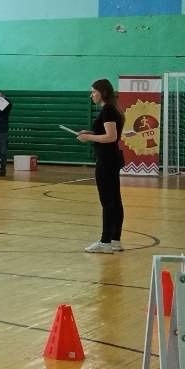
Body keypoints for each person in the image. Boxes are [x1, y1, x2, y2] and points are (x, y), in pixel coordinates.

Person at [77, 78, 126, 253]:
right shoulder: (112, 110)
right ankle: (115, 240)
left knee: (108, 201)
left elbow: (111, 137)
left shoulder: (108, 110)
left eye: (93, 92)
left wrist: (89, 138)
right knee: (115, 200)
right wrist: (88, 133)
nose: (91, 95)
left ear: (103, 92)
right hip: (111, 159)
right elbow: (105, 133)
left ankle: (105, 242)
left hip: (107, 160)